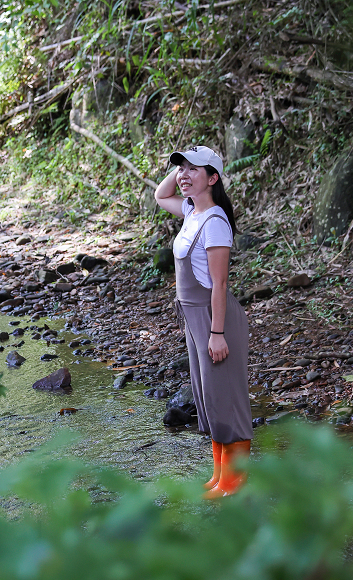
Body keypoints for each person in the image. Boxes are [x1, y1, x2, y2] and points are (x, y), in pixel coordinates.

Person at [154, 145, 252, 498]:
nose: (182, 174)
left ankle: (234, 483)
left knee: (227, 399)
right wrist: (181, 164)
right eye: (180, 168)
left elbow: (221, 284)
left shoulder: (215, 223)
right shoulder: (192, 210)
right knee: (208, 396)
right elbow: (159, 194)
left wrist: (216, 334)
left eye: (193, 169)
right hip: (194, 319)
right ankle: (219, 476)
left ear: (213, 178)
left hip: (215, 320)